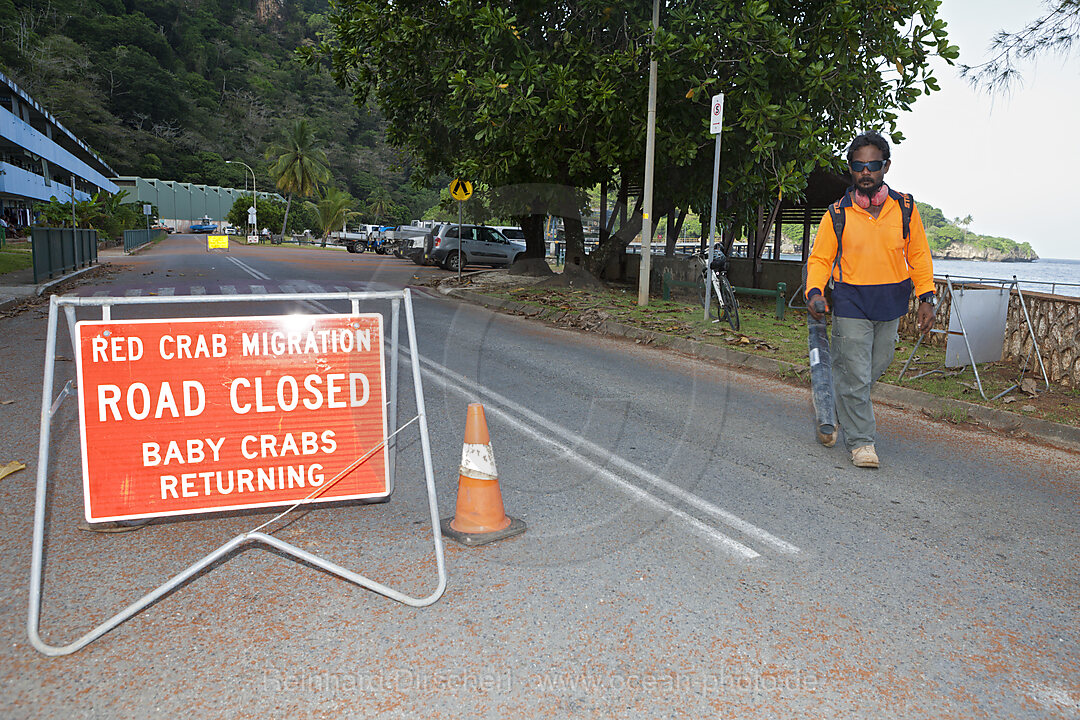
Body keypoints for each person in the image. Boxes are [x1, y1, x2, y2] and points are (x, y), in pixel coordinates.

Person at [805, 131, 936, 469]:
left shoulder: (905, 208)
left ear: (885, 167)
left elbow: (919, 255)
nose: (866, 172)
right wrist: (815, 292)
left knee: (874, 366)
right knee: (857, 374)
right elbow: (820, 259)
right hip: (851, 301)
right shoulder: (837, 214)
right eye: (859, 166)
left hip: (891, 302)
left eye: (873, 165)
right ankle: (862, 442)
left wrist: (926, 296)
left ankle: (832, 405)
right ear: (851, 169)